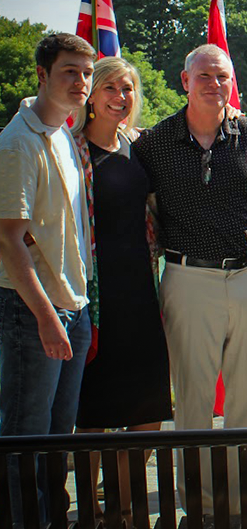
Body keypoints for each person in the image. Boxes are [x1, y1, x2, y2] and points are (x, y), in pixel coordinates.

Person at [133, 43, 247, 513]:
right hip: (187, 279)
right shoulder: (154, 144)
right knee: (193, 402)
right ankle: (200, 507)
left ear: (232, 82)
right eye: (204, 76)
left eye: (222, 76)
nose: (214, 84)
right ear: (185, 81)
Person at [0, 33, 95, 525]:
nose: (81, 81)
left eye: (86, 71)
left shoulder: (63, 132)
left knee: (57, 438)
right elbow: (9, 239)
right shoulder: (18, 142)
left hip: (72, 307)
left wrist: (75, 312)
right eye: (69, 72)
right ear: (42, 74)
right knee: (25, 440)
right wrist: (44, 317)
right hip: (31, 310)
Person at [72, 56, 172, 521]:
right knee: (93, 410)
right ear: (92, 95)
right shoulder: (68, 150)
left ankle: (123, 501)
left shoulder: (139, 148)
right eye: (111, 87)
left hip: (140, 290)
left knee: (148, 404)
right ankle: (90, 506)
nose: (120, 97)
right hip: (91, 296)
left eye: (128, 89)